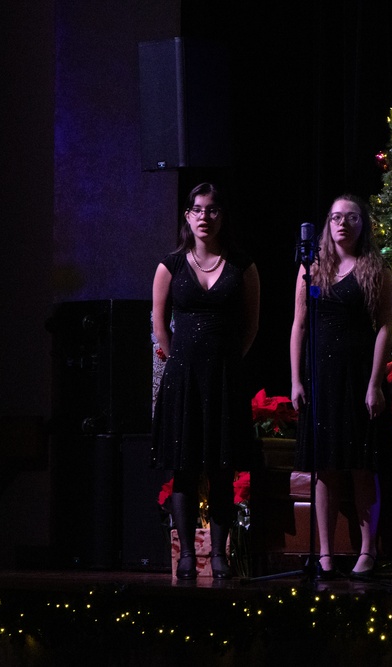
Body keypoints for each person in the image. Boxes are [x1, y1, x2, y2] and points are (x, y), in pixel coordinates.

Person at [151, 182, 261, 580]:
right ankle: (184, 557)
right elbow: (160, 324)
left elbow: (251, 325)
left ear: (222, 215)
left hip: (225, 379)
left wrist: (227, 361)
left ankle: (219, 555)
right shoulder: (171, 265)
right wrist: (180, 360)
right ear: (187, 216)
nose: (204, 217)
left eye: (212, 210)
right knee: (183, 468)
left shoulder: (242, 265)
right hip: (184, 379)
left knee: (221, 469)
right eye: (197, 210)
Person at [291, 194, 392, 581]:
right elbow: (298, 326)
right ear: (327, 224)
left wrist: (374, 384)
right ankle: (325, 554)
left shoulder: (375, 268)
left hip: (358, 377)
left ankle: (368, 552)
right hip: (322, 379)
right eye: (336, 217)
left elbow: (385, 325)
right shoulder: (312, 269)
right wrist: (295, 380)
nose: (343, 224)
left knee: (361, 467)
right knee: (325, 469)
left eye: (351, 218)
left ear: (362, 224)